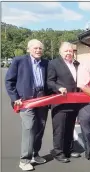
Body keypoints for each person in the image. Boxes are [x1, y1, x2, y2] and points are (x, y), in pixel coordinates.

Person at [5, 39, 49, 171]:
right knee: (29, 128)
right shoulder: (19, 61)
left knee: (40, 127)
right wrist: (15, 97)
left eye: (40, 48)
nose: (38, 50)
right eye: (35, 48)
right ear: (28, 49)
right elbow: (9, 81)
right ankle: (24, 159)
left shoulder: (46, 63)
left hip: (42, 100)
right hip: (25, 101)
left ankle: (35, 154)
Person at [47, 42, 81, 163]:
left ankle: (68, 150)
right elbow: (50, 81)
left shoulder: (77, 64)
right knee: (59, 129)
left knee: (70, 128)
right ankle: (58, 152)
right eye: (66, 51)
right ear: (61, 52)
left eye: (70, 51)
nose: (68, 53)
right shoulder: (54, 63)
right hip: (60, 102)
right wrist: (58, 88)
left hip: (73, 102)